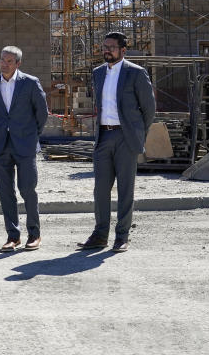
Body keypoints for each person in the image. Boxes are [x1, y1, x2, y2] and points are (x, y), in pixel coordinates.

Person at [77, 31, 156, 253]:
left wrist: (138, 133)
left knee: (125, 190)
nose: (107, 50)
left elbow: (149, 109)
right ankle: (100, 235)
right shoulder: (98, 73)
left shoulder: (136, 73)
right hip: (103, 137)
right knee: (100, 189)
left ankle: (122, 236)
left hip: (125, 138)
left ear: (123, 50)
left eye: (111, 47)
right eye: (105, 46)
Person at [0, 46, 49, 252]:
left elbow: (42, 113)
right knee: (5, 192)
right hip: (1, 145)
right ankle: (13, 236)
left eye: (9, 61)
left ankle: (34, 234)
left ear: (18, 63)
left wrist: (31, 135)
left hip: (25, 144)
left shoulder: (30, 83)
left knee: (27, 189)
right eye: (2, 59)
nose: (4, 64)